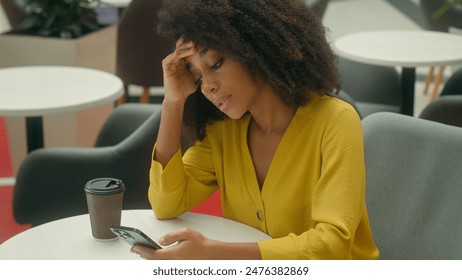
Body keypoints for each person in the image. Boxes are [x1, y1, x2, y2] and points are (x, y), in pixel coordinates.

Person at [130, 0, 379, 260]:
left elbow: (333, 245)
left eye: (216, 64)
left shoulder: (335, 122)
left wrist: (216, 254)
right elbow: (165, 203)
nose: (208, 87)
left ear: (254, 50)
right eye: (199, 77)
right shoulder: (223, 132)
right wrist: (173, 100)